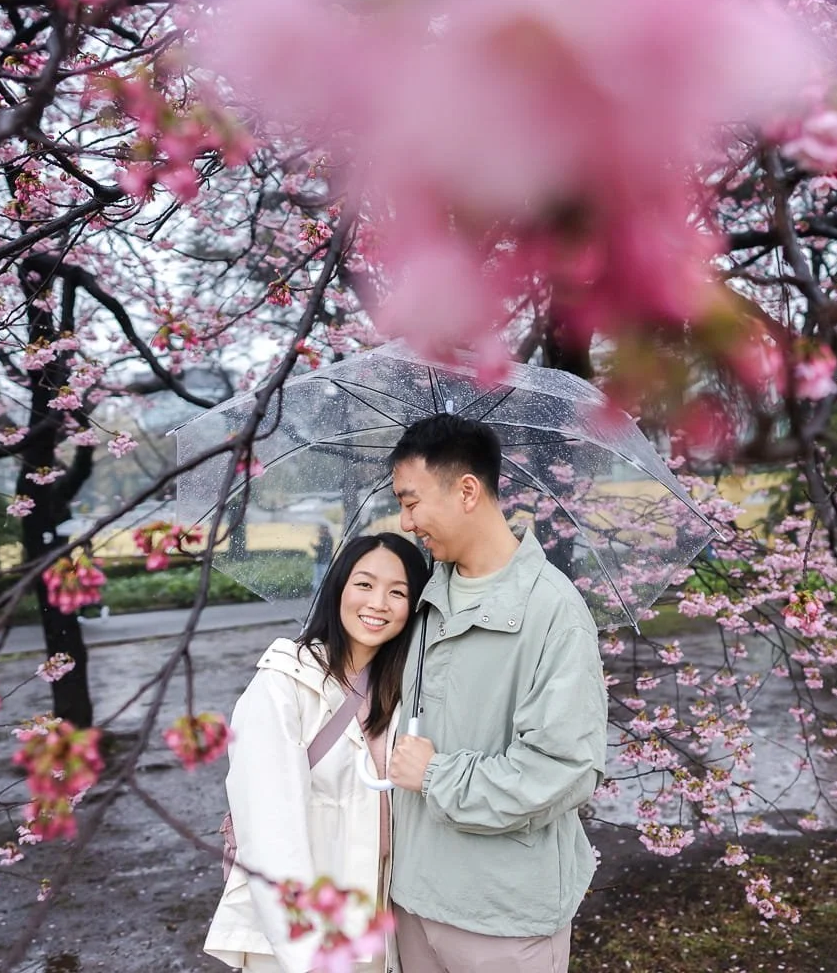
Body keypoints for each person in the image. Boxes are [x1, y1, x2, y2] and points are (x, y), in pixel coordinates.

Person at [385, 414, 608, 973]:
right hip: (412, 898)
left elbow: (564, 768)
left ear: (466, 491)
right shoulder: (421, 597)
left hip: (501, 916)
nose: (406, 521)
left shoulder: (552, 611)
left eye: (411, 502)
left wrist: (436, 776)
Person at [205, 532, 431, 973]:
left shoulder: (406, 691)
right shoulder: (284, 683)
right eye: (364, 584)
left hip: (378, 926)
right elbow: (271, 830)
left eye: (398, 592)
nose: (379, 602)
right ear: (338, 588)